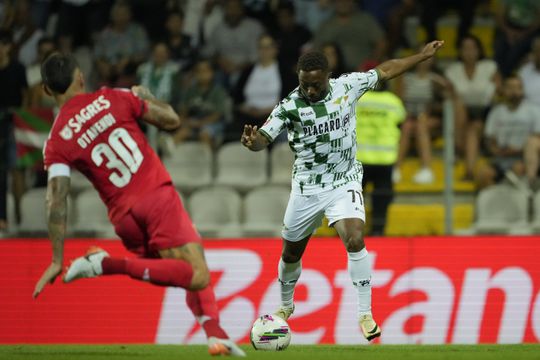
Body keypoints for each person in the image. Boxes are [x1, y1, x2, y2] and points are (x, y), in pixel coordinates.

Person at [32, 53, 245, 357]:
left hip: (124, 219)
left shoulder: (55, 140)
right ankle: (105, 264)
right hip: (155, 195)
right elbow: (172, 120)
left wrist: (56, 258)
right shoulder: (113, 97)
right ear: (81, 78)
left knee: (181, 264)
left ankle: (216, 335)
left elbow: (56, 199)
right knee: (197, 273)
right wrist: (145, 96)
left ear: (46, 90)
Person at [241, 40, 444, 341]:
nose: (310, 91)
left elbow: (386, 70)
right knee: (291, 252)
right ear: (298, 78)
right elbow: (263, 140)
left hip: (343, 180)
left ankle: (365, 313)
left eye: (316, 85)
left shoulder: (348, 86)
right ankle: (285, 307)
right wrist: (252, 142)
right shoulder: (289, 106)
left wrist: (421, 56)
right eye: (305, 85)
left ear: (328, 77)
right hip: (307, 186)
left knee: (355, 237)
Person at [445, 34, 501, 181]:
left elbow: (499, 91)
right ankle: (468, 169)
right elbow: (448, 94)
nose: (469, 52)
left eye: (472, 48)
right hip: (460, 116)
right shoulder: (453, 70)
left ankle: (458, 152)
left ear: (479, 50)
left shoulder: (490, 67)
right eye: (465, 48)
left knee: (474, 126)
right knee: (462, 112)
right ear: (460, 51)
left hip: (486, 113)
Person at [355, 84, 406, 235]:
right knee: (382, 200)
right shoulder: (393, 101)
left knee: (353, 201)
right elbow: (402, 122)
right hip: (385, 160)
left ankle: (350, 233)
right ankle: (378, 231)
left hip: (359, 159)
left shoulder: (358, 99)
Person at [478, 75, 540, 190]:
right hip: (501, 158)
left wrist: (518, 150)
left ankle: (520, 203)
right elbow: (489, 139)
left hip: (523, 158)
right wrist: (496, 150)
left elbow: (537, 138)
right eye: (510, 88)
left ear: (522, 90)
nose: (514, 92)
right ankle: (493, 205)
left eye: (518, 88)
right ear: (504, 90)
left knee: (518, 169)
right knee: (483, 174)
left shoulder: (534, 110)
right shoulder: (496, 112)